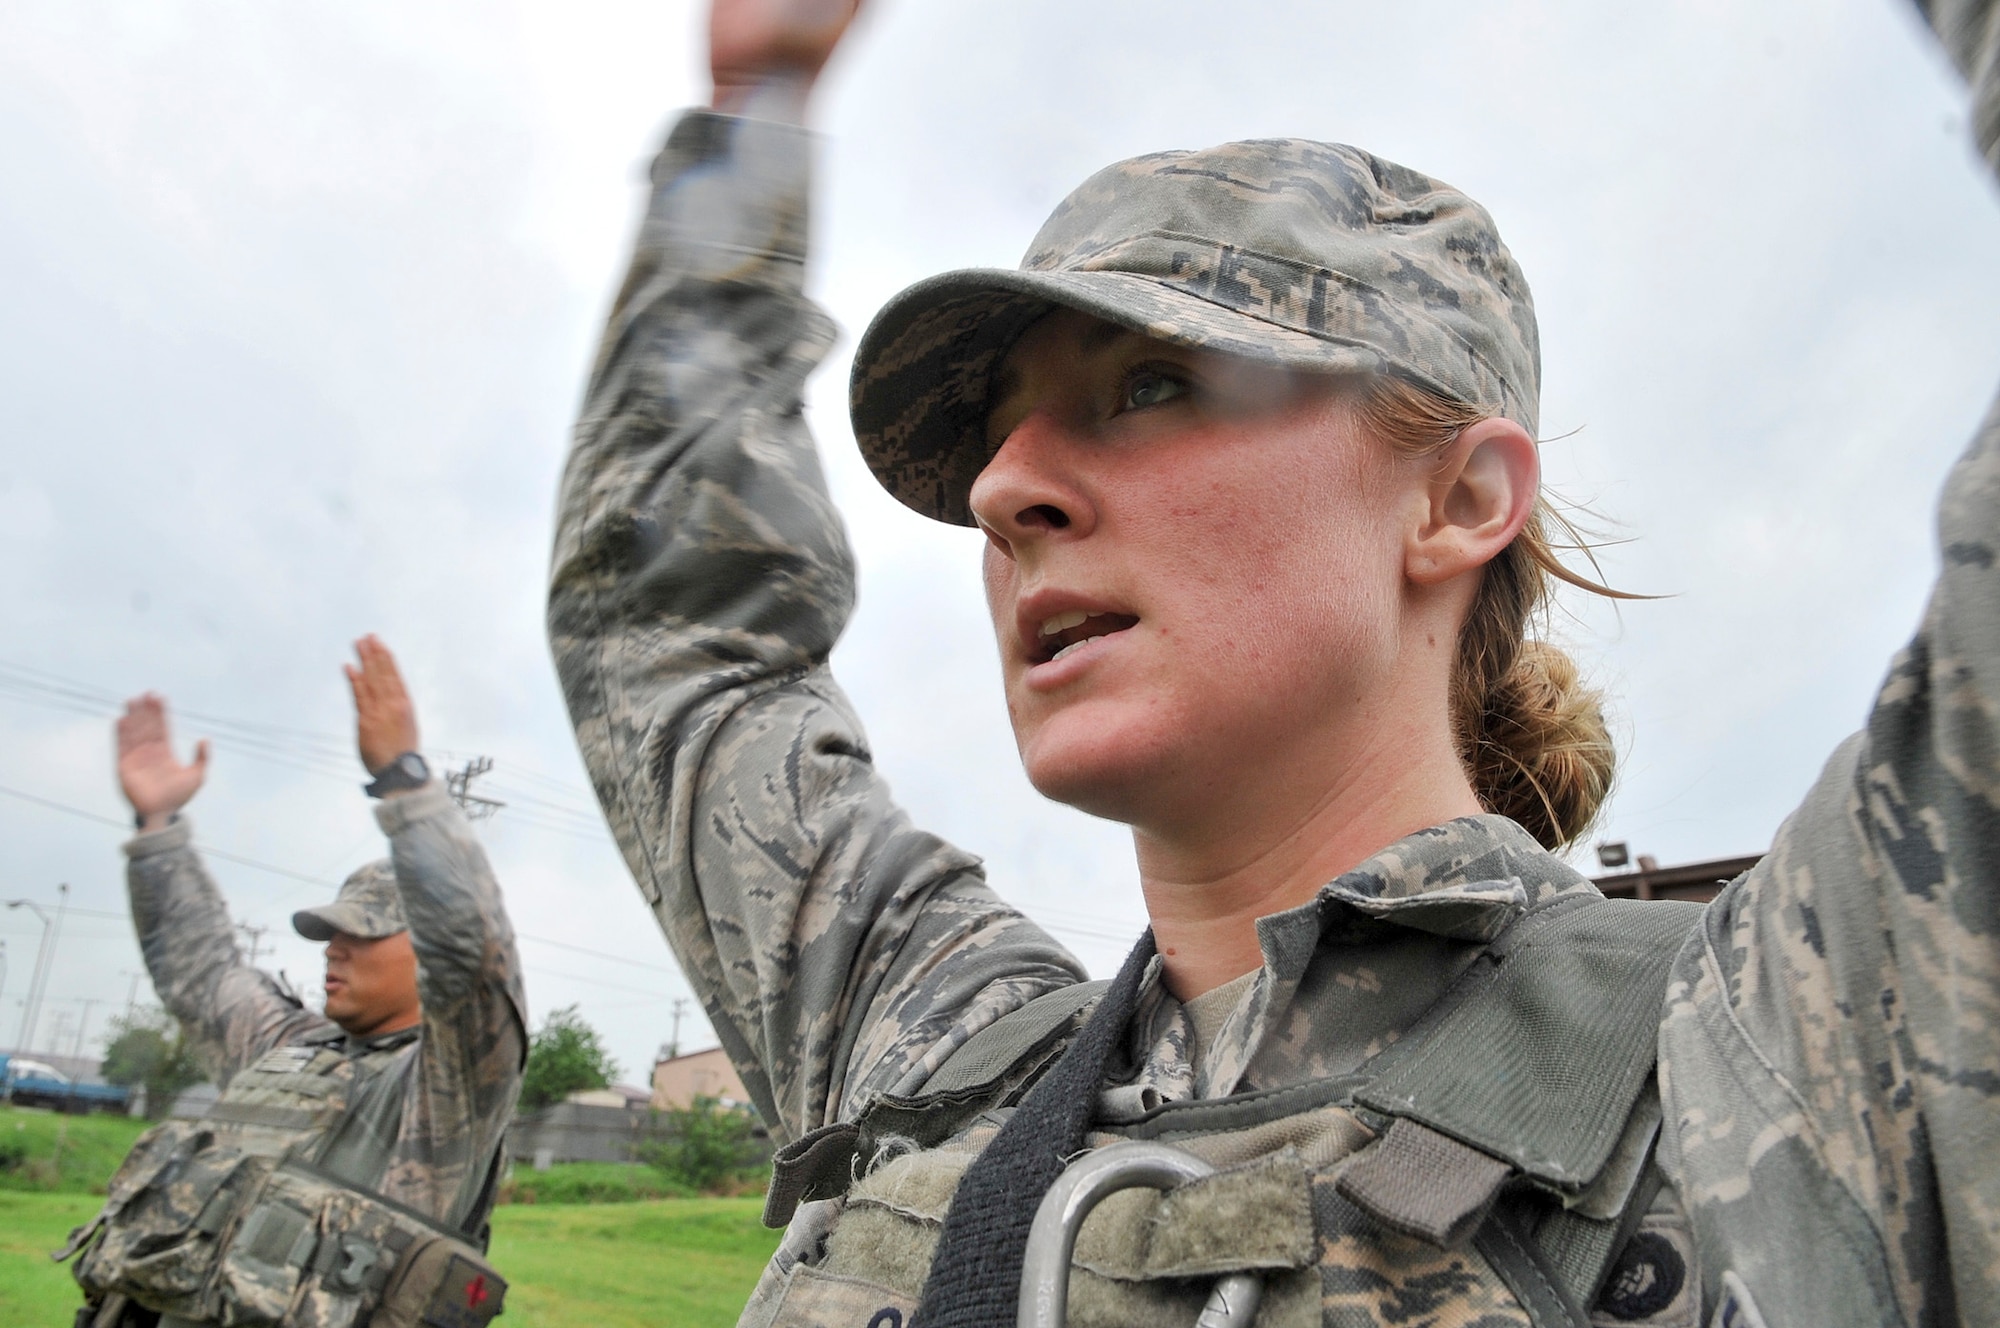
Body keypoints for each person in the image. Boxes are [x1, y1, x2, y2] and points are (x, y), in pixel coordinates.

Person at [547, 1, 2000, 1324]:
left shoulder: (1781, 1048)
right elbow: (679, 649)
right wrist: (750, 136)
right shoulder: (938, 1048)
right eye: (1001, 430)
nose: (1004, 490)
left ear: (1460, 500)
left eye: (1153, 385)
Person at [63, 637, 525, 1328]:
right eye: (329, 931)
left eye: (363, 930)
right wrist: (158, 828)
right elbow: (200, 970)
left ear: (423, 949)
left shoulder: (444, 1089)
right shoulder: (288, 1047)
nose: (334, 946)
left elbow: (475, 955)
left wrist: (406, 783)